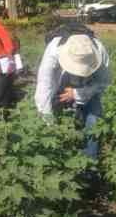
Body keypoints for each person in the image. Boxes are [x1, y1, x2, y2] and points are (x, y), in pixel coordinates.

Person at [35, 26, 111, 159]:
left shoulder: (99, 50)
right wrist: (49, 124)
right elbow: (44, 87)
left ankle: (89, 162)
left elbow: (103, 83)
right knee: (58, 115)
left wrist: (77, 93)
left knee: (93, 121)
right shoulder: (54, 50)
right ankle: (61, 155)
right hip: (62, 83)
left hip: (90, 85)